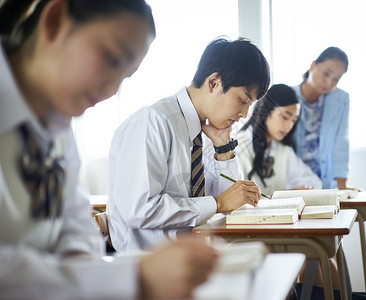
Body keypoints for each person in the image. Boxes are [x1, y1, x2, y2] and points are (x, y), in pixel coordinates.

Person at [0, 1, 218, 299]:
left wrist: (87, 275)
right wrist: (129, 279)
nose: (113, 89)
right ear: (53, 21)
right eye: (112, 59)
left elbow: (76, 226)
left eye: (125, 76)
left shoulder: (58, 123)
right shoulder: (154, 120)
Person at [107, 37, 271, 251]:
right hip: (147, 265)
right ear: (214, 82)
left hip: (193, 257)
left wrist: (223, 148)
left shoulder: (207, 131)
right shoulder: (154, 121)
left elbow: (231, 205)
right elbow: (140, 209)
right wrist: (218, 203)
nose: (244, 114)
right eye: (243, 100)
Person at [235, 84, 322, 197]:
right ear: (267, 111)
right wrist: (286, 194)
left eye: (294, 120)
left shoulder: (283, 151)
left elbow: (315, 183)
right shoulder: (239, 145)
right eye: (285, 117)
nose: (289, 126)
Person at [291, 47, 351, 189]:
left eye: (336, 79)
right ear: (313, 66)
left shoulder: (341, 99)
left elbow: (341, 141)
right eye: (326, 74)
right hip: (292, 180)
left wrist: (342, 188)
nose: (329, 82)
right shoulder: (287, 95)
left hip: (324, 179)